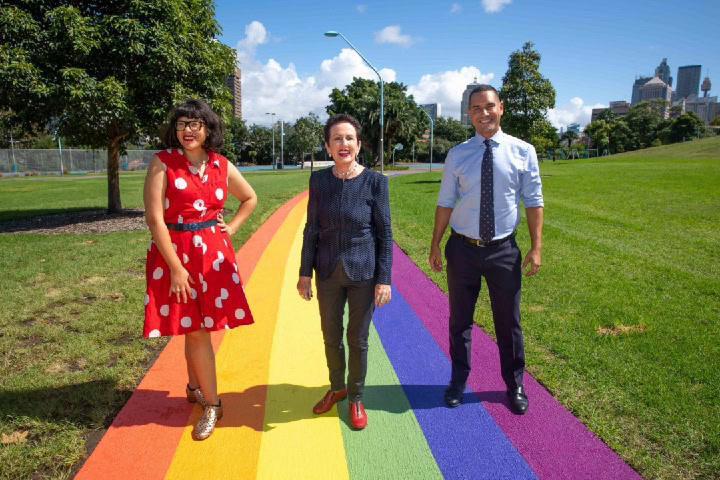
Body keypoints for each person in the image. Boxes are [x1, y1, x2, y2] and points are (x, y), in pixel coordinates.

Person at [143, 98, 257, 440]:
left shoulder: (222, 164)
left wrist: (232, 228)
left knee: (197, 326)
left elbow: (249, 198)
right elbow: (154, 218)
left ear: (208, 128)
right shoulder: (162, 162)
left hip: (213, 256)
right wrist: (176, 268)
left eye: (195, 124)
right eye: (181, 124)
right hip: (175, 255)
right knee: (194, 329)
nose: (187, 130)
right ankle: (213, 403)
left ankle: (195, 386)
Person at [428, 85, 544, 415]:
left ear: (501, 108)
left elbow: (534, 201)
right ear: (469, 114)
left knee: (508, 322)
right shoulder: (458, 154)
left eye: (489, 106)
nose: (484, 113)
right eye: (476, 108)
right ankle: (458, 380)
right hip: (462, 250)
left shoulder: (523, 152)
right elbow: (445, 201)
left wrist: (536, 248)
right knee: (460, 320)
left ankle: (515, 384)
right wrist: (435, 243)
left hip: (503, 251)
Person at [297, 113, 392, 430]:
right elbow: (311, 229)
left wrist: (384, 279)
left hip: (363, 271)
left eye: (349, 138)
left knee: (358, 339)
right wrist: (304, 273)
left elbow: (384, 235)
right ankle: (336, 387)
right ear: (327, 146)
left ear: (359, 144)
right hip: (326, 271)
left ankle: (355, 397)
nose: (343, 144)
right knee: (331, 336)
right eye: (337, 138)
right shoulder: (319, 181)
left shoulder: (375, 182)